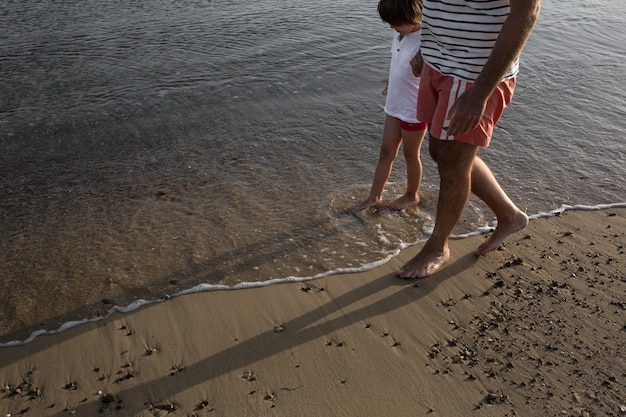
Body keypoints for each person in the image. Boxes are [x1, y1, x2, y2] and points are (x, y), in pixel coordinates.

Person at [397, 0, 541, 278]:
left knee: (452, 164)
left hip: (474, 75)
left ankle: (437, 247)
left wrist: (479, 94)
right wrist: (426, 47)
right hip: (437, 62)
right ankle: (510, 216)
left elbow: (527, 11)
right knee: (441, 154)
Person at [351, 0, 427, 212]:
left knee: (411, 155)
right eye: (390, 24)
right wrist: (393, 81)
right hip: (394, 103)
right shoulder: (399, 33)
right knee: (386, 152)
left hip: (413, 110)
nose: (392, 27)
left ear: (413, 17)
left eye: (396, 24)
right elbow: (399, 63)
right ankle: (374, 197)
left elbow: (434, 75)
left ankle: (412, 195)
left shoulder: (426, 42)